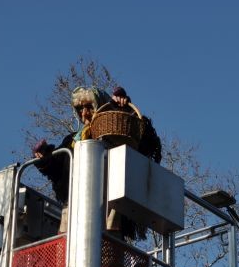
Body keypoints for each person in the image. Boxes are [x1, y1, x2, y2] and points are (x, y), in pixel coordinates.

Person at [32, 86, 162, 239]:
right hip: (74, 208)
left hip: (109, 209)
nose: (84, 113)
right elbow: (56, 170)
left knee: (107, 244)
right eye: (80, 109)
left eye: (89, 107)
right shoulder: (72, 140)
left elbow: (145, 141)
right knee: (66, 244)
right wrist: (44, 157)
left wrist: (122, 108)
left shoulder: (116, 133)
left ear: (101, 107)